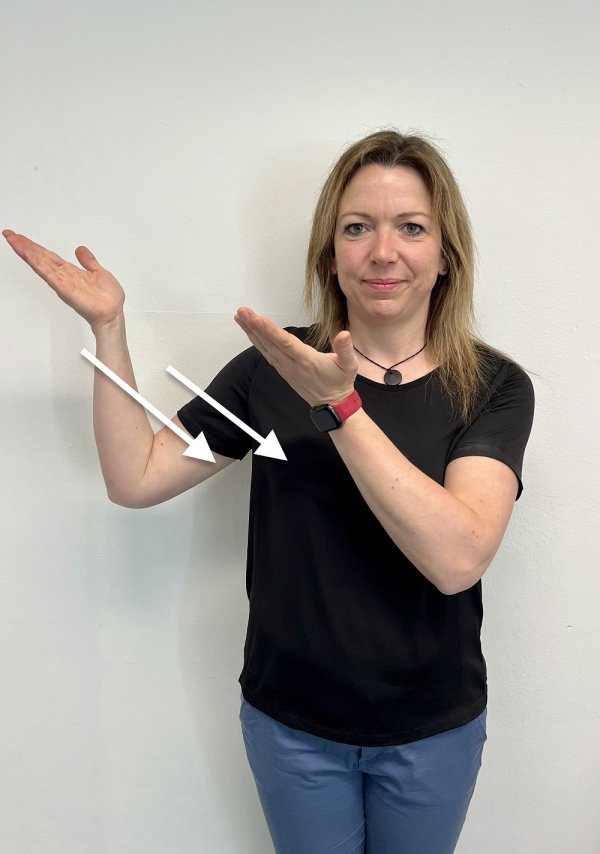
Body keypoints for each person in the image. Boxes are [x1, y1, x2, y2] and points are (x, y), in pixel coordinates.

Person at [3, 129, 534, 854]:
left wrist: (340, 407)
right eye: (358, 228)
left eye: (412, 228)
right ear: (330, 254)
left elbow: (457, 558)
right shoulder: (271, 369)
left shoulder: (494, 387)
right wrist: (109, 328)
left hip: (431, 728)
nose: (383, 252)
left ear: (446, 255)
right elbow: (138, 476)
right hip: (293, 726)